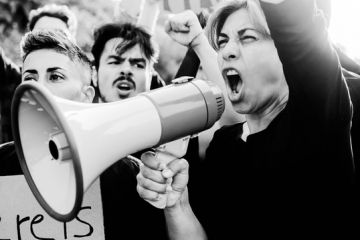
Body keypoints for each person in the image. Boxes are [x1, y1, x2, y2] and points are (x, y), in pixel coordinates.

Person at [136, 0, 357, 237]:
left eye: (248, 37)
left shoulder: (316, 118)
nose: (227, 51)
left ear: (284, 52)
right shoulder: (223, 146)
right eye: (222, 42)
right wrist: (177, 206)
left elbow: (298, 27)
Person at [90, 22, 168, 239]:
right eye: (115, 61)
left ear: (152, 76)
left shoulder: (173, 140)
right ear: (94, 74)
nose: (126, 70)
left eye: (137, 64)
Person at [0, 29, 94, 174]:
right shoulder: (3, 162)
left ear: (86, 96)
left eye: (55, 77)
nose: (39, 88)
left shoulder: (128, 175)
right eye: (30, 78)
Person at [0, 3, 78, 143]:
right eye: (39, 34)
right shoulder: (13, 82)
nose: (47, 41)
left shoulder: (83, 89)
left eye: (58, 35)